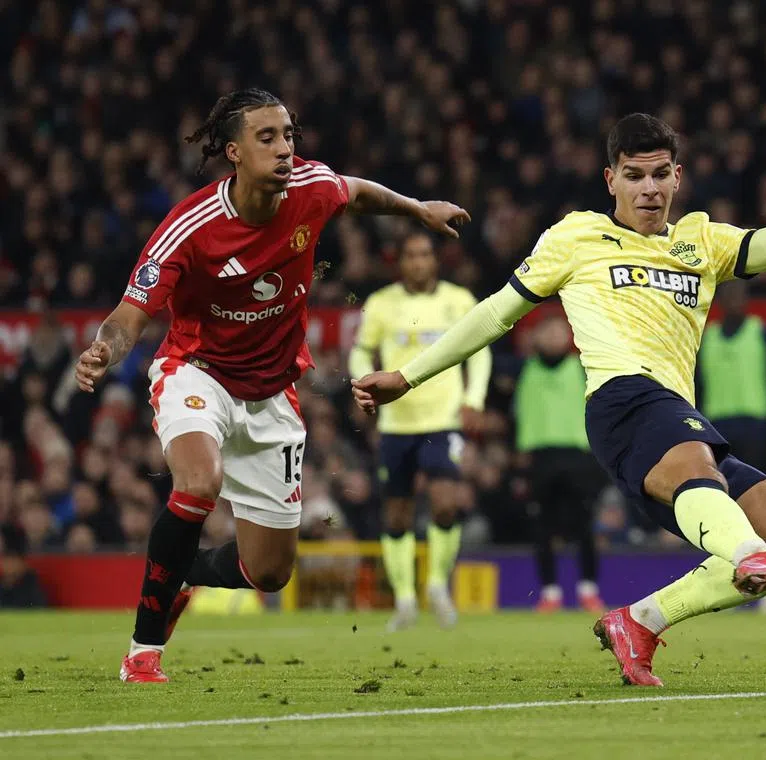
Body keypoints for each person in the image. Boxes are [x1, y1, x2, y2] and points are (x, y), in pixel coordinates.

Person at [352, 113, 766, 686]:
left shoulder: (702, 242)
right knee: (723, 505)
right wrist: (408, 376)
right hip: (621, 402)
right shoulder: (576, 237)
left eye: (660, 174)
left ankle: (640, 621)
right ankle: (745, 554)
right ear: (611, 179)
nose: (649, 189)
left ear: (677, 177)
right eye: (634, 176)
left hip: (680, 418)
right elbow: (495, 314)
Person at [74, 88, 470, 683]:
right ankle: (143, 650)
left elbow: (357, 191)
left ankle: (183, 572)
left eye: (289, 135)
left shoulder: (311, 189)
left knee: (270, 573)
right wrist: (107, 349)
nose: (285, 149)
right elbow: (131, 313)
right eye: (268, 138)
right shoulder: (190, 225)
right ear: (233, 151)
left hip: (272, 396)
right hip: (197, 373)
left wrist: (417, 209)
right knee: (199, 482)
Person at [347, 232, 491, 631]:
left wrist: (474, 400)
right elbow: (361, 348)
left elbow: (480, 349)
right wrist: (362, 379)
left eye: (425, 255)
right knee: (396, 514)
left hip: (443, 420)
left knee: (445, 503)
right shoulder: (381, 304)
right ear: (401, 262)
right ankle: (405, 600)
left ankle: (437, 586)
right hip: (396, 423)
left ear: (435, 260)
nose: (418, 262)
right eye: (411, 255)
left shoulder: (458, 300)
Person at [514, 313, 605, 613]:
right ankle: (550, 592)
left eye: (560, 332)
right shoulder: (523, 369)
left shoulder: (582, 368)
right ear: (536, 337)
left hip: (576, 455)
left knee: (583, 525)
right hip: (539, 457)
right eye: (548, 332)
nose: (555, 337)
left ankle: (588, 589)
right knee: (542, 527)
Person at [696, 279, 766, 470]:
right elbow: (698, 386)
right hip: (716, 424)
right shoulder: (705, 340)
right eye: (729, 294)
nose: (735, 299)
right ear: (719, 300)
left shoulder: (764, 334)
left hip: (756, 424)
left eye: (739, 294)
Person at [0, 523, 48, 609]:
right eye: (5, 559)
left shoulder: (31, 586)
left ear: (22, 563)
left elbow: (39, 611)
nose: (8, 564)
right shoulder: (3, 585)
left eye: (12, 560)